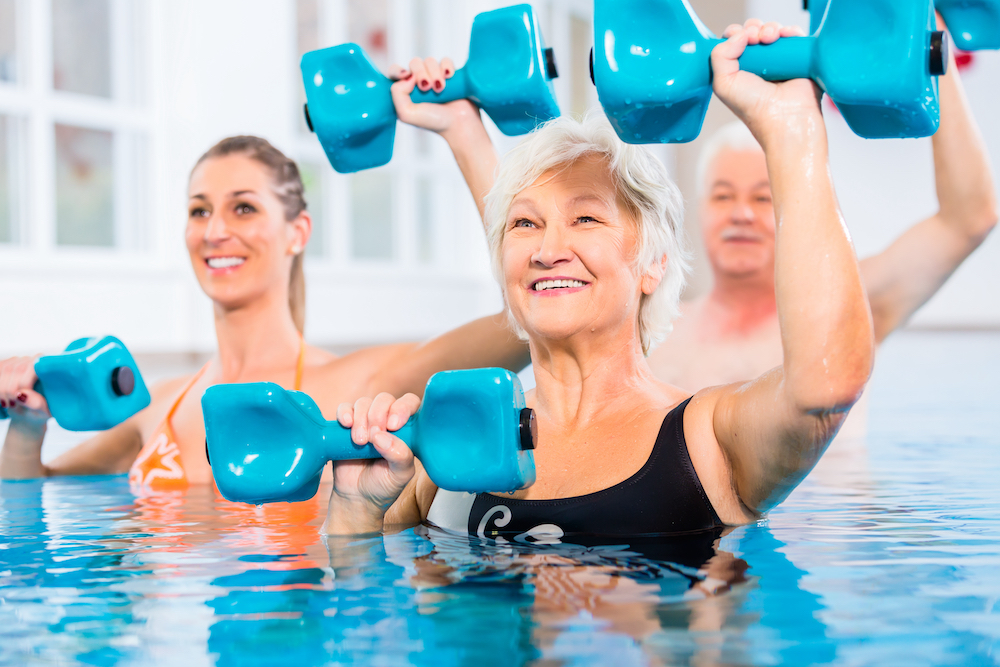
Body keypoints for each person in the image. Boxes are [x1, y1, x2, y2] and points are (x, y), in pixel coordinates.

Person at [319, 21, 875, 537]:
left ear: (652, 262)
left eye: (585, 218)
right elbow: (356, 606)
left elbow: (823, 389)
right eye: (524, 225)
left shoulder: (707, 437)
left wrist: (792, 132)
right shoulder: (443, 448)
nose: (547, 250)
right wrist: (356, 508)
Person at [0, 57, 525, 489]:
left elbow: (526, 317)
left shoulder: (360, 387)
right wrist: (26, 426)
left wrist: (462, 130)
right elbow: (32, 496)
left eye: (244, 209)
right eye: (199, 210)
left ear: (298, 231)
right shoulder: (159, 403)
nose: (215, 231)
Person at [646, 16, 997, 395]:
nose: (741, 213)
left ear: (794, 204)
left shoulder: (846, 309)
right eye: (723, 196)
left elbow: (969, 219)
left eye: (763, 198)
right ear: (699, 210)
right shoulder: (654, 333)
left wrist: (930, 38)